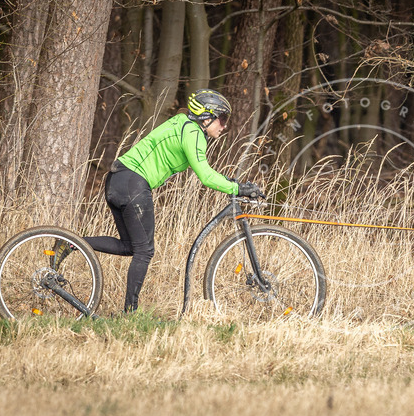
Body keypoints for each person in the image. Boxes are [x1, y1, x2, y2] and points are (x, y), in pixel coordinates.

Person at [53, 89, 263, 313]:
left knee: (130, 247)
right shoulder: (192, 132)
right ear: (206, 117)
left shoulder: (183, 123)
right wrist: (238, 188)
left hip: (118, 181)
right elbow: (205, 176)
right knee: (144, 251)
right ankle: (130, 313)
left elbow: (206, 170)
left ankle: (71, 243)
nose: (224, 125)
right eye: (222, 118)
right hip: (133, 182)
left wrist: (231, 183)